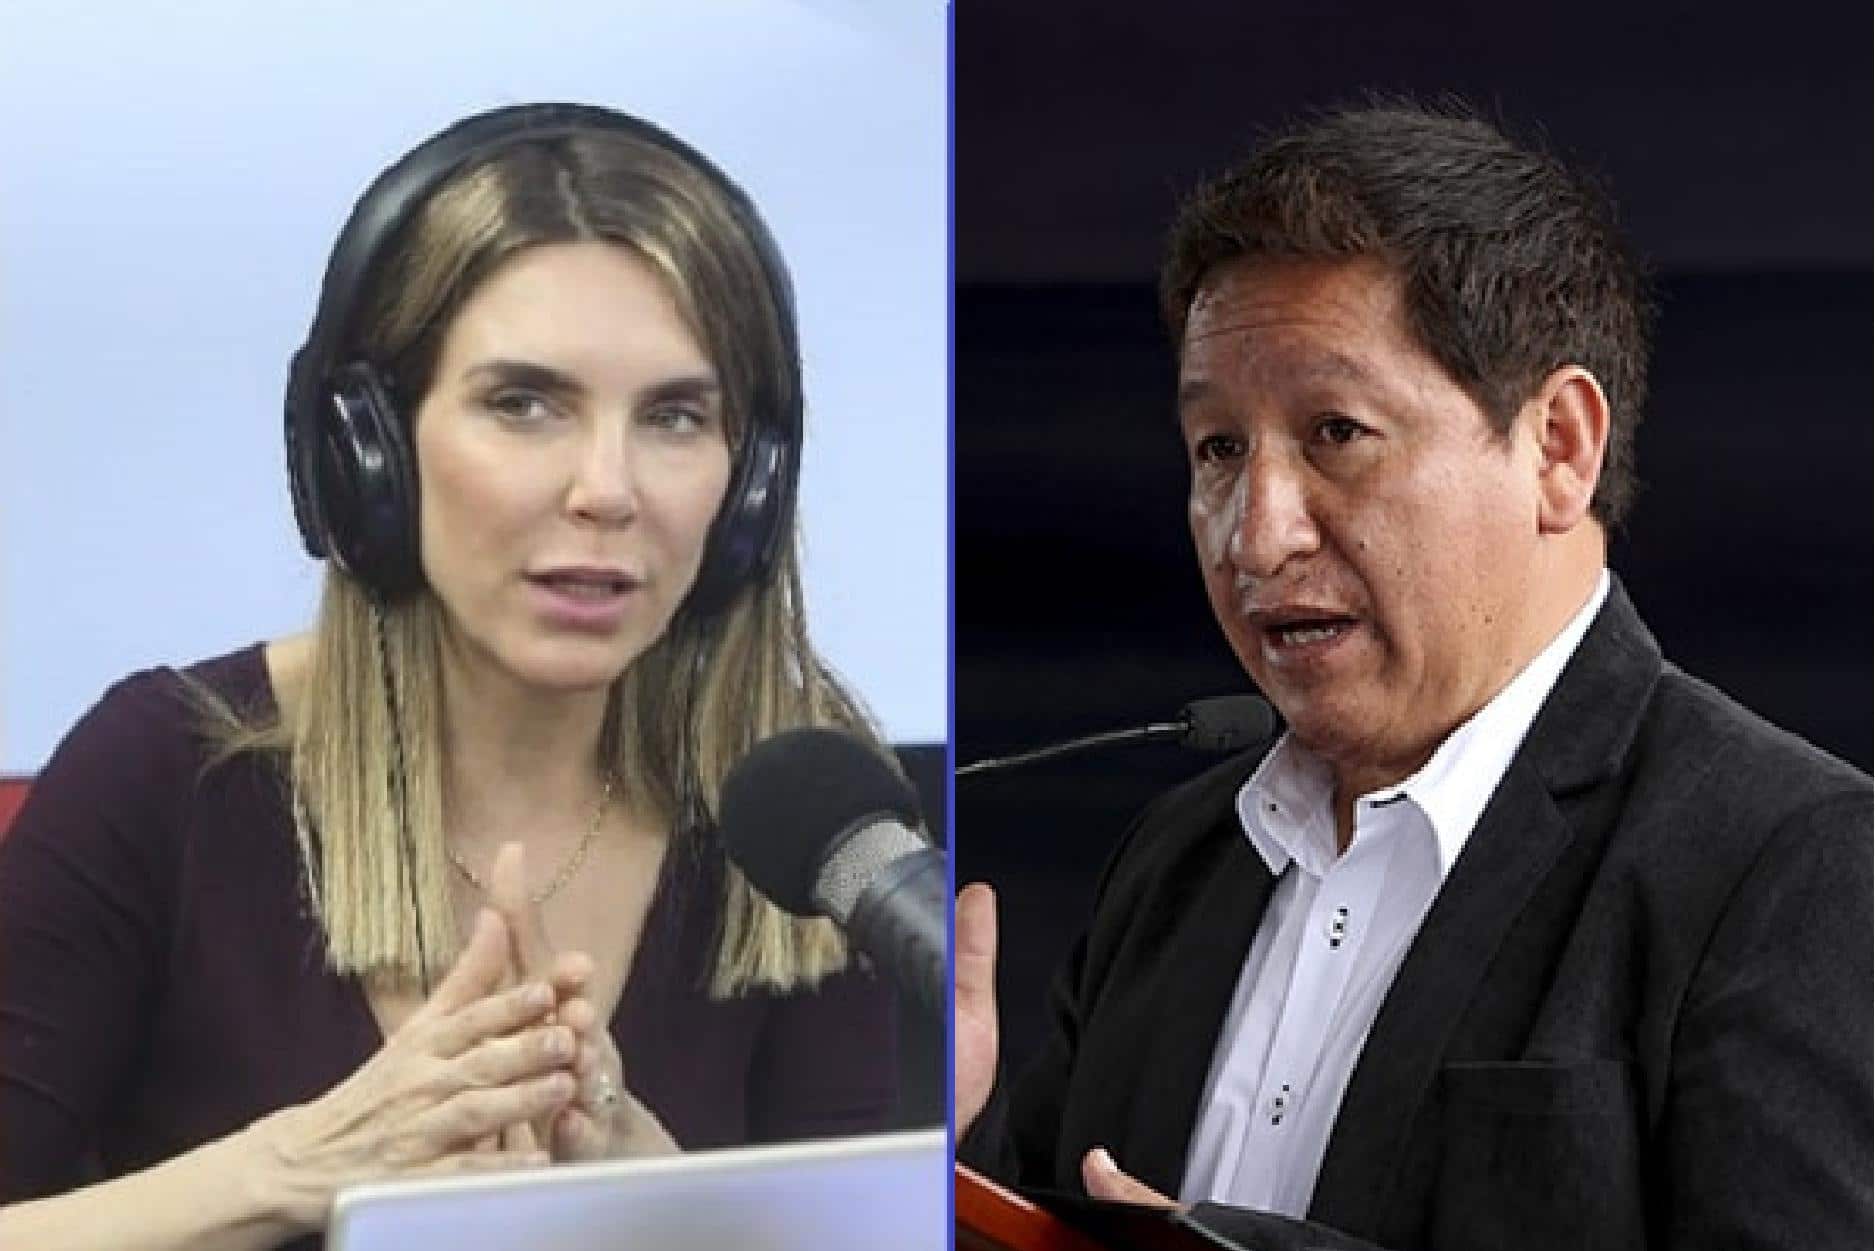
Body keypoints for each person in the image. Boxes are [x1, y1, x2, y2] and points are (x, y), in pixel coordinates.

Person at [955, 102, 1871, 1250]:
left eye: (1336, 433)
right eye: (1219, 449)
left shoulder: (1794, 865)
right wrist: (921, 1166)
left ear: (1559, 449)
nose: (1255, 537)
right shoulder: (1177, 859)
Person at [0, 102, 900, 1250]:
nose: (608, 489)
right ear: (364, 453)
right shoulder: (164, 772)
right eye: (524, 404)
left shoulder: (811, 818)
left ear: (752, 488)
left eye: (676, 416)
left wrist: (659, 1200)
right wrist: (299, 1168)